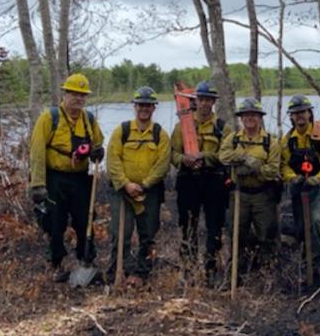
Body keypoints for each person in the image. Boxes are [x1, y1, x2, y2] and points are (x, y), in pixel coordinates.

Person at [29, 73, 105, 282]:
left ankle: (85, 261)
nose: (78, 99)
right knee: (55, 222)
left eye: (82, 95)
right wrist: (38, 184)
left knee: (85, 221)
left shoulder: (88, 119)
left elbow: (98, 142)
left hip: (80, 179)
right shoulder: (49, 118)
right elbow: (37, 151)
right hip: (55, 179)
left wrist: (97, 152)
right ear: (65, 94)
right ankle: (56, 263)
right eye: (74, 94)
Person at [106, 86, 171, 287]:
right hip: (122, 192)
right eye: (141, 105)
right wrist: (126, 184)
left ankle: (141, 273)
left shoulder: (160, 134)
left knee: (148, 233)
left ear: (154, 108)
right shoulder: (122, 131)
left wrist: (144, 185)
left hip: (149, 192)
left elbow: (163, 164)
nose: (144, 109)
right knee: (120, 233)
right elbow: (112, 160)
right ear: (135, 106)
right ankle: (119, 271)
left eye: (148, 105)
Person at [170, 80, 228, 283]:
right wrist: (183, 160)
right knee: (188, 224)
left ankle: (211, 269)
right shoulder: (183, 126)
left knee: (214, 225)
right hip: (188, 181)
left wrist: (205, 157)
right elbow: (173, 153)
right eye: (201, 99)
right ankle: (188, 269)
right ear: (196, 101)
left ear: (213, 102)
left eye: (208, 100)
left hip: (214, 181)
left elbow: (225, 155)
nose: (204, 104)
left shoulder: (222, 127)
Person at [218, 98, 281, 277]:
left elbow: (272, 170)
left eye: (253, 114)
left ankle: (268, 273)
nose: (249, 118)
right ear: (241, 118)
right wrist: (245, 157)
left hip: (263, 194)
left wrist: (254, 168)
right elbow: (223, 157)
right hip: (239, 194)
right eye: (246, 115)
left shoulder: (271, 142)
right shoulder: (234, 139)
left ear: (260, 117)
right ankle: (237, 271)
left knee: (267, 234)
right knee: (236, 233)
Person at [279, 94, 320, 283]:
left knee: (316, 220)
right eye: (295, 113)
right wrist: (292, 178)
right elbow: (284, 165)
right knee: (301, 226)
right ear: (291, 117)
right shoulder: (288, 140)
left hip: (319, 187)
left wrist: (318, 179)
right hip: (298, 189)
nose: (299, 116)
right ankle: (307, 262)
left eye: (302, 112)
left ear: (309, 113)